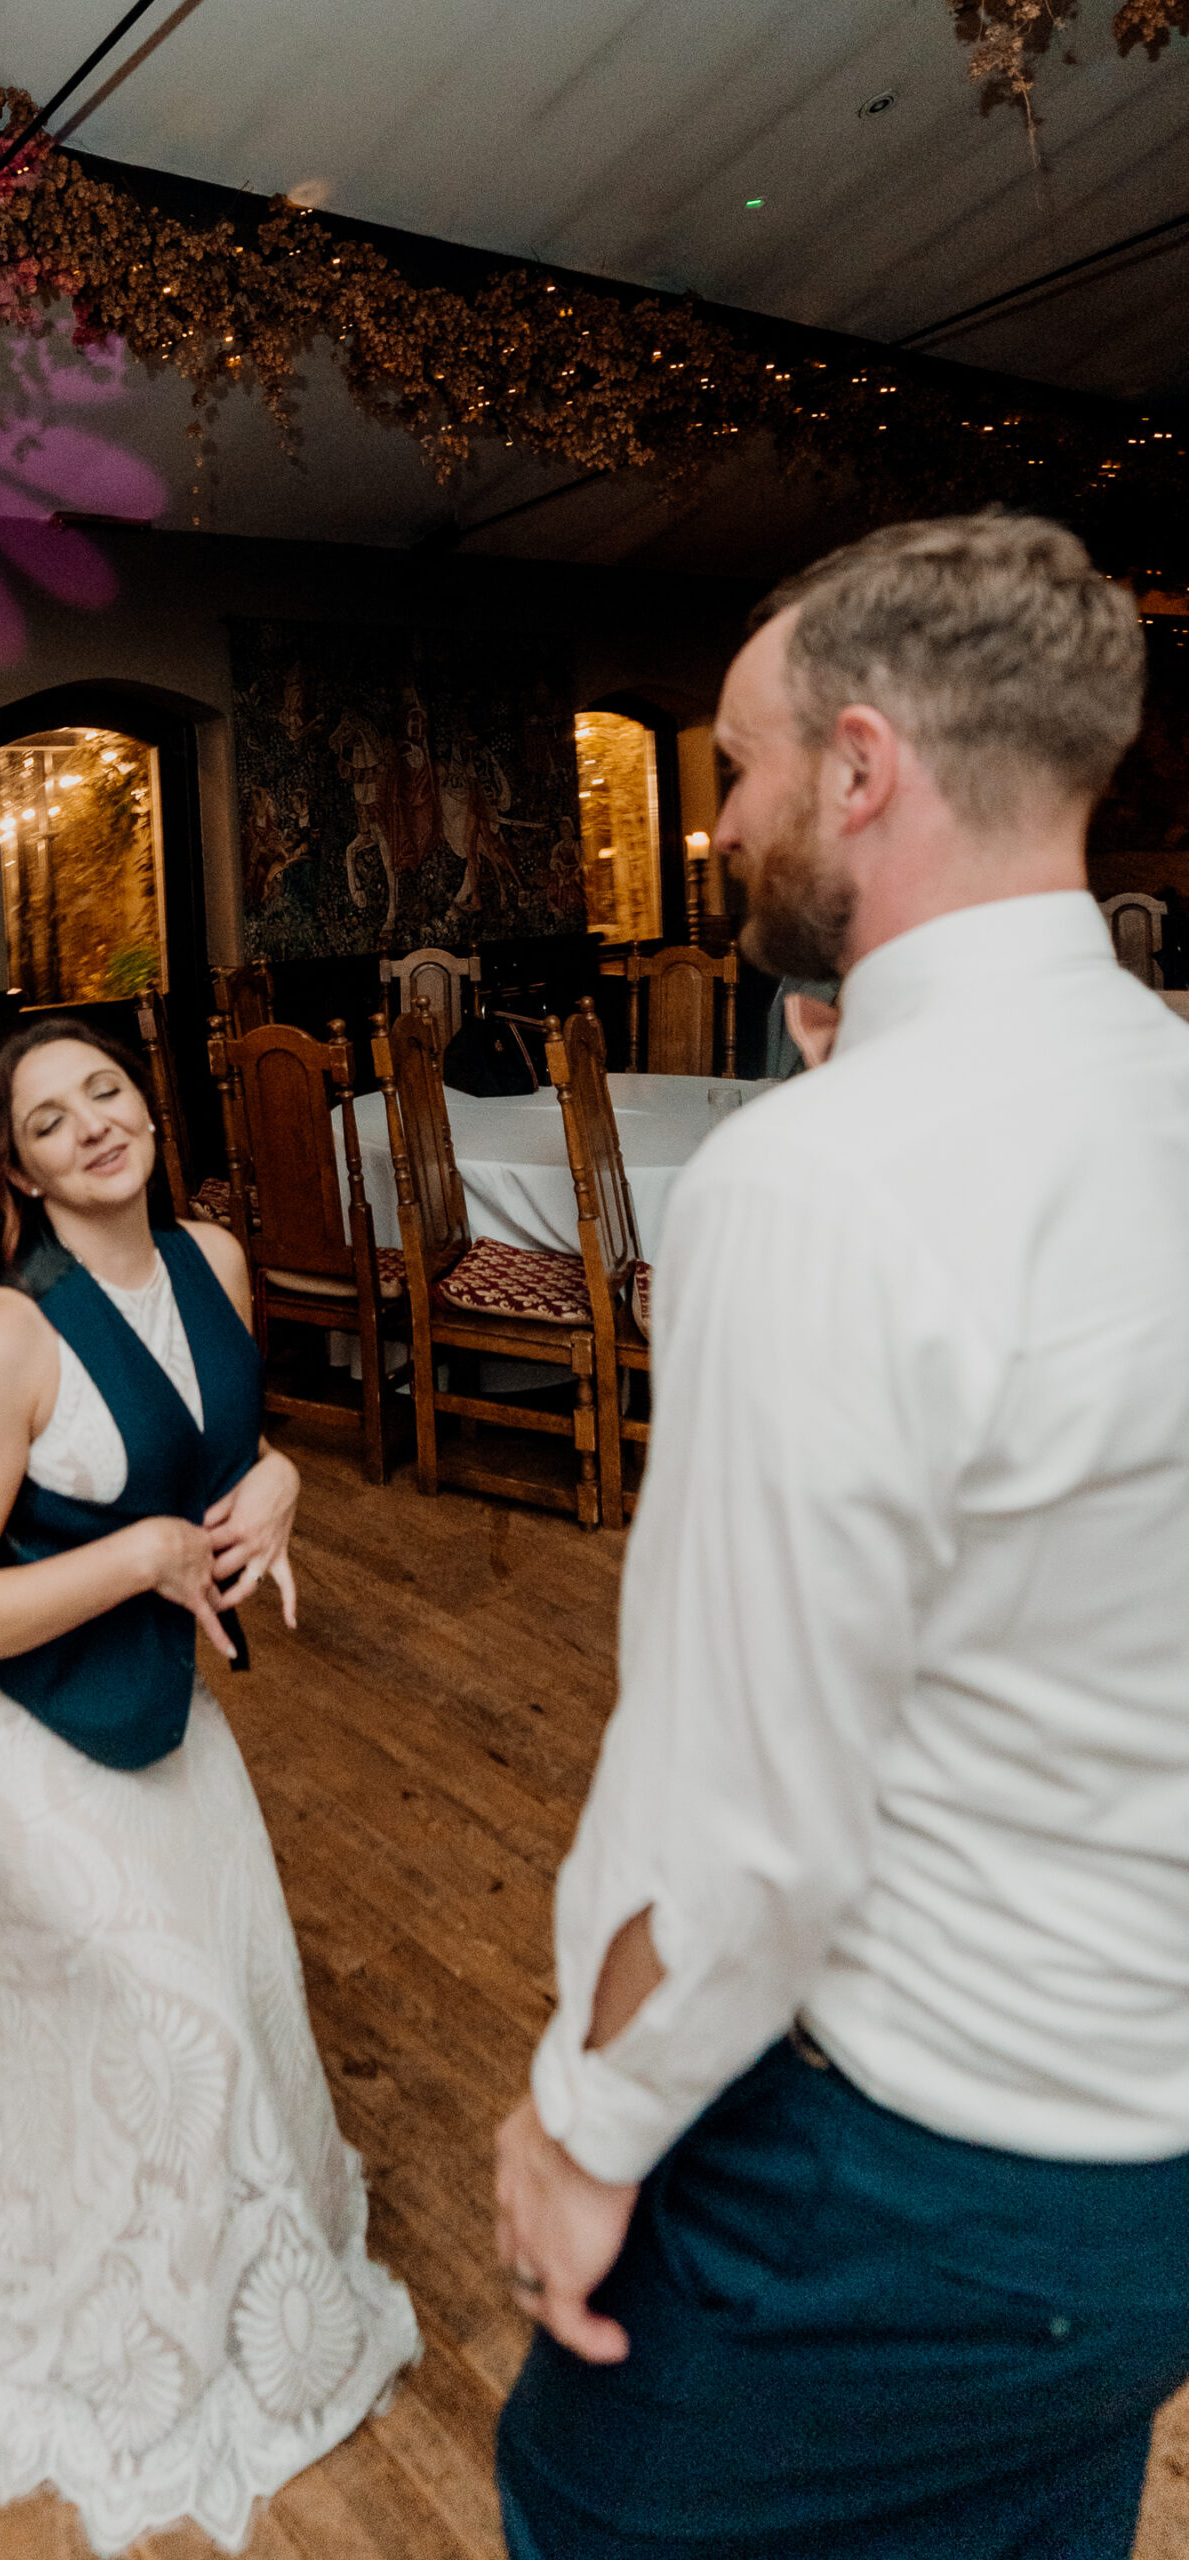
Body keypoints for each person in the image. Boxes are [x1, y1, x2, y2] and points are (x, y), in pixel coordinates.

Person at [493, 512, 1189, 2558]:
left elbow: (738, 1812)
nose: (710, 827)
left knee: (583, 2499)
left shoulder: (819, 1184)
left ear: (859, 767)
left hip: (911, 2158)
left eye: (731, 768)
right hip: (1137, 2161)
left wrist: (583, 2124)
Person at [0, 1017, 418, 2555]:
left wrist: (282, 1481)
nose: (92, 1129)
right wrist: (142, 1557)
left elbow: (216, 1450)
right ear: (17, 1167)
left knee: (235, 1964)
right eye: (51, 1120)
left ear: (150, 1109)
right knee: (166, 2003)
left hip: (126, 1660)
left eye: (108, 1096)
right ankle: (113, 2293)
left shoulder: (214, 1255)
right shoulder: (4, 1337)